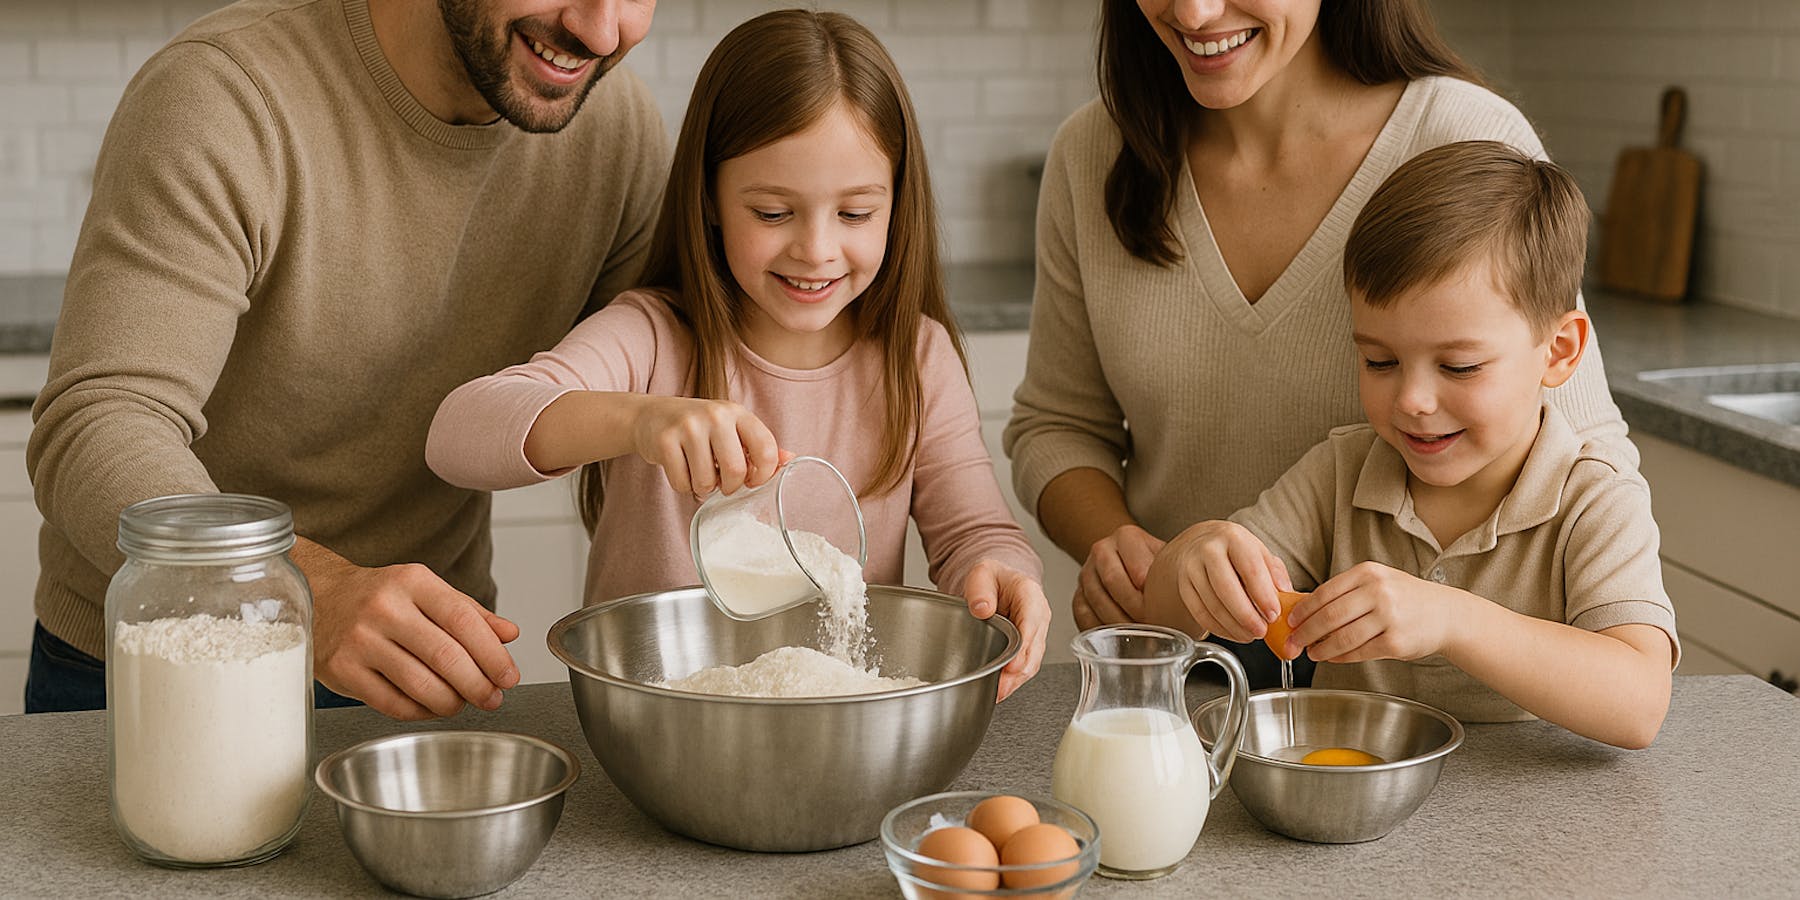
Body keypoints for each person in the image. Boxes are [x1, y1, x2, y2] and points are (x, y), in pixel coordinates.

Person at [26, 0, 669, 719]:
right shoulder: (226, 92)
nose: (602, 30)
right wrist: (296, 590)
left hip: (418, 670)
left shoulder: (615, 131)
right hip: (167, 658)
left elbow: (662, 379)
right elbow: (99, 423)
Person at [1002, 0, 1637, 688]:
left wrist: (1460, 621)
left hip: (1419, 698)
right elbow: (1058, 427)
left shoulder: (1462, 137)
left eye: (1453, 365)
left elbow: (1583, 449)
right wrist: (1125, 548)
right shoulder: (1092, 155)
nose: (1194, 10)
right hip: (1185, 667)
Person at [425, 9, 1051, 700]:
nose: (816, 250)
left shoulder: (917, 358)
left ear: (897, 205)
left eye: (855, 214)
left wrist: (1000, 572)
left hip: (845, 726)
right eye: (774, 213)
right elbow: (458, 434)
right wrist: (639, 421)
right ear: (713, 199)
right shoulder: (652, 337)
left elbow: (975, 535)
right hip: (656, 723)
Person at [1139, 142, 1676, 748]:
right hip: (1351, 816)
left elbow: (1640, 704)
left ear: (1559, 351)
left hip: (1537, 827)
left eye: (1460, 366)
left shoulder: (1595, 499)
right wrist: (1193, 558)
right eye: (1380, 360)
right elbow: (1160, 619)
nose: (1412, 400)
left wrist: (1451, 618)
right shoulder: (1340, 473)